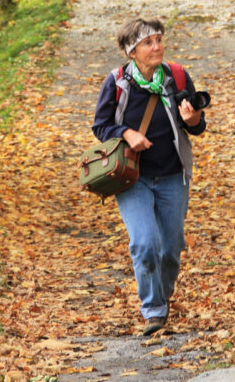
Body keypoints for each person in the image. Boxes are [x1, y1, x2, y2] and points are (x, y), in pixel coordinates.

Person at [92, 18, 207, 336]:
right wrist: (127, 133)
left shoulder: (177, 76)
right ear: (132, 51)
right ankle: (154, 311)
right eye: (148, 42)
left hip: (173, 175)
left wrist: (194, 119)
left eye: (159, 39)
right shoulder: (117, 82)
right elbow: (101, 126)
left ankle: (162, 298)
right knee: (145, 243)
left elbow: (197, 127)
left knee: (170, 248)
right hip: (133, 177)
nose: (156, 46)